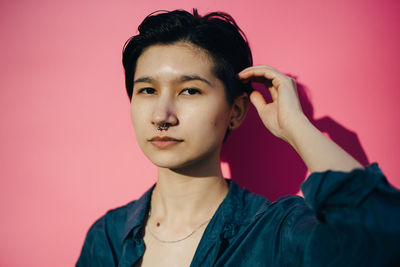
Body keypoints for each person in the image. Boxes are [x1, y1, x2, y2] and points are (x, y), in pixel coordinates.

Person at [76, 9, 400, 267]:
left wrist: (296, 126)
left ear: (236, 111)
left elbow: (384, 239)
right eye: (147, 90)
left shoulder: (277, 232)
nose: (162, 116)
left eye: (189, 90)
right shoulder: (106, 237)